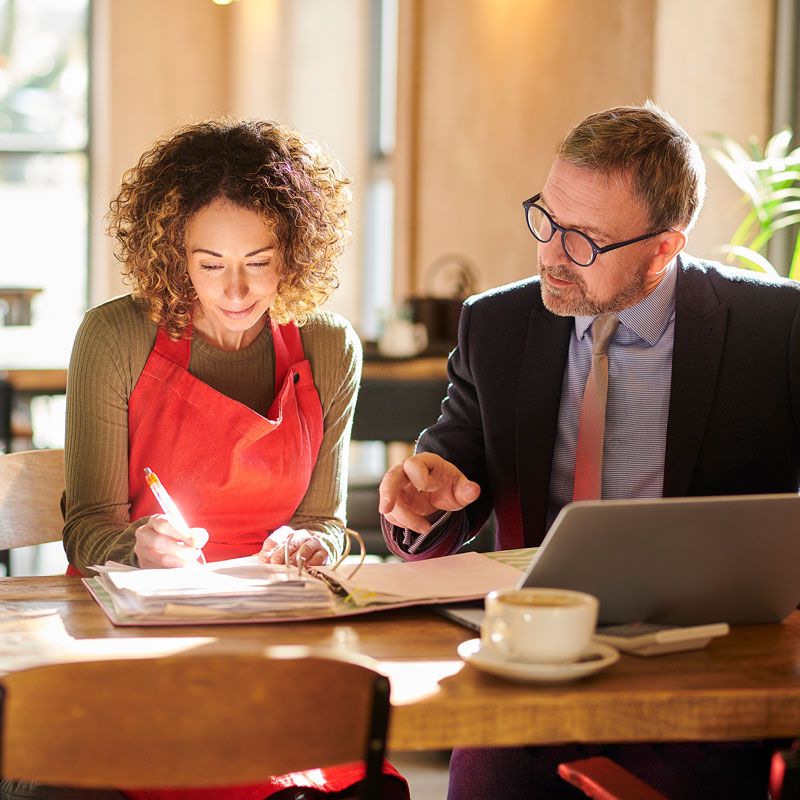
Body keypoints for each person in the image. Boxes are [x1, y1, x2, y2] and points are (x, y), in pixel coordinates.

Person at [379, 102, 800, 799]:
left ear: (665, 247)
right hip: (525, 679)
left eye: (582, 240)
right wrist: (420, 506)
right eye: (545, 218)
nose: (549, 253)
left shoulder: (775, 329)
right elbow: (444, 482)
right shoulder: (496, 324)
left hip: (700, 680)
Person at [29, 119, 408, 800]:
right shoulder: (114, 337)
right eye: (210, 265)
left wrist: (306, 543)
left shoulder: (328, 347)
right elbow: (85, 530)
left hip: (275, 631)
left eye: (258, 262)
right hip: (136, 633)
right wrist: (137, 547)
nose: (235, 292)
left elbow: (322, 520)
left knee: (347, 765)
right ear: (173, 256)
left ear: (292, 253)